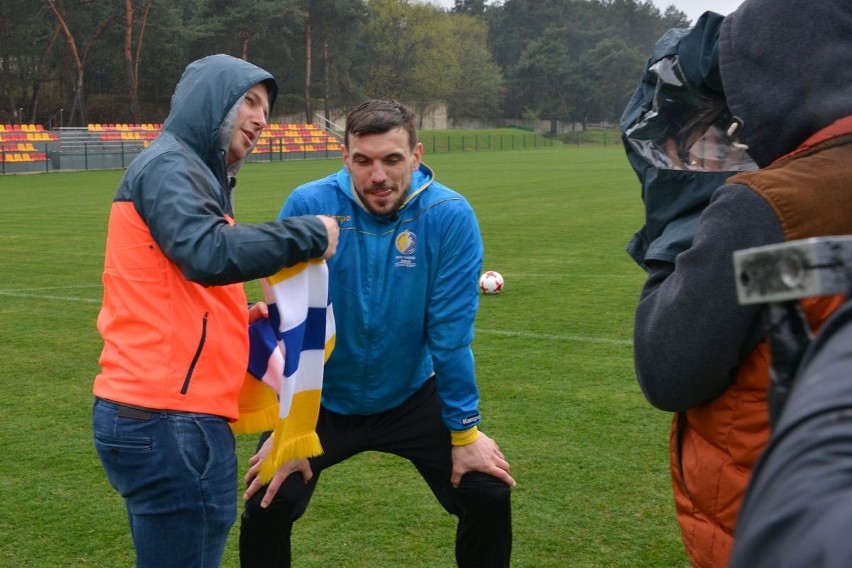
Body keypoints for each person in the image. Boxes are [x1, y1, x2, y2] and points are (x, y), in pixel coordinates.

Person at [621, 1, 852, 566]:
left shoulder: (767, 211)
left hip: (779, 519)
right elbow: (819, 273)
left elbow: (670, 366)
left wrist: (678, 225)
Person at [238, 99, 515, 568]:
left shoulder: (449, 215)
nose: (378, 176)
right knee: (267, 499)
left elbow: (449, 336)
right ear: (345, 158)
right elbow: (288, 320)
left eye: (392, 159)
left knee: (487, 492)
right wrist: (288, 429)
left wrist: (465, 435)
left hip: (410, 393)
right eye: (363, 161)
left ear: (417, 155)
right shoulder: (309, 205)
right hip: (320, 397)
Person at [91, 53, 339, 568]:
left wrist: (235, 322)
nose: (260, 118)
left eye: (266, 110)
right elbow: (206, 252)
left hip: (156, 413)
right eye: (248, 100)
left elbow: (178, 281)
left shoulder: (184, 172)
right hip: (169, 420)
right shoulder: (171, 167)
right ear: (211, 103)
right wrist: (311, 234)